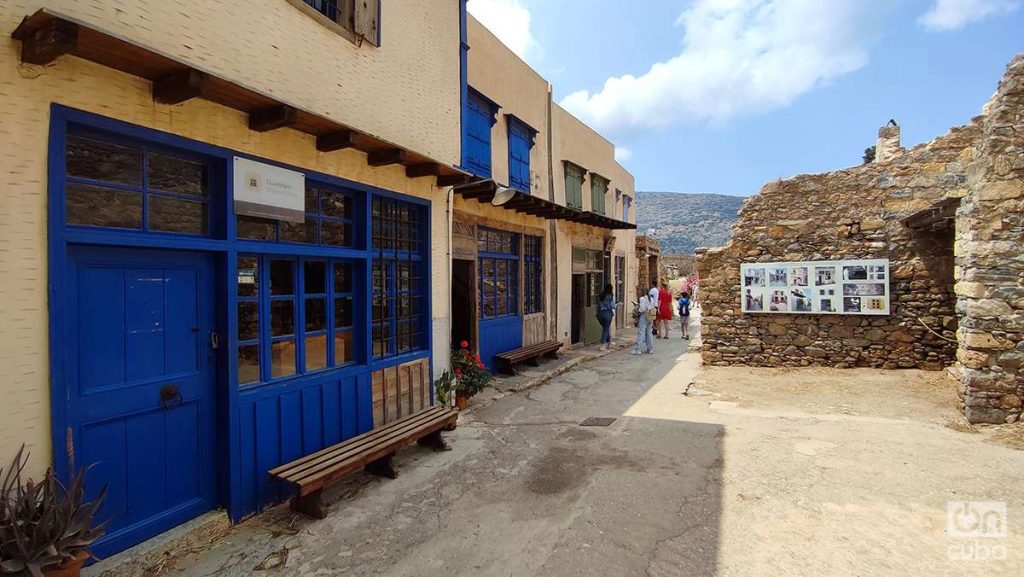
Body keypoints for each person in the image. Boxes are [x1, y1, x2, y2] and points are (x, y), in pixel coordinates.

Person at [632, 288, 657, 355]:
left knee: (641, 332)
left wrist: (638, 310)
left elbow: (642, 309)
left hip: (644, 316)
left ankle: (638, 349)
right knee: (649, 332)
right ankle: (650, 349)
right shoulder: (651, 299)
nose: (638, 292)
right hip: (650, 316)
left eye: (639, 291)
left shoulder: (642, 299)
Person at [596, 284, 616, 351]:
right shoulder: (610, 296)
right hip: (607, 313)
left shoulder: (600, 296)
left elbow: (598, 305)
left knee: (605, 328)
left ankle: (608, 342)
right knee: (606, 329)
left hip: (600, 313)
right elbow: (613, 306)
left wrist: (597, 314)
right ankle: (602, 345)